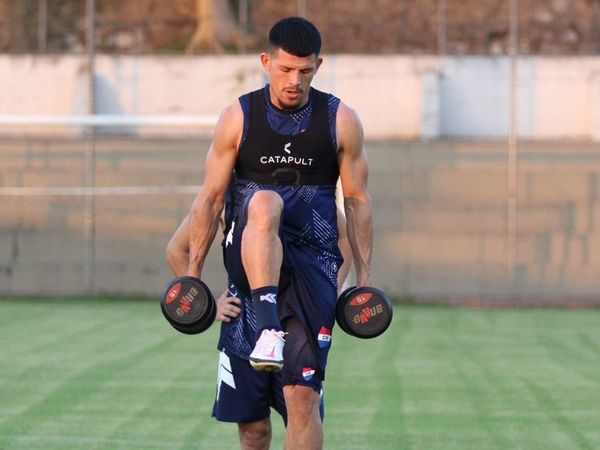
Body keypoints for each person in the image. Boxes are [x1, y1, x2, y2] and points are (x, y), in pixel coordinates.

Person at [184, 16, 372, 450]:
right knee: (252, 430)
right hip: (250, 282)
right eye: (286, 69)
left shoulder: (339, 120)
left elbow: (358, 201)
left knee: (303, 399)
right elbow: (209, 202)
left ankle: (273, 330)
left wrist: (363, 279)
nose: (295, 80)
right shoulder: (238, 117)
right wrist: (195, 281)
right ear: (266, 61)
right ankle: (266, 324)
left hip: (312, 273)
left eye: (304, 71)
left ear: (318, 66)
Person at [166, 205, 351, 450]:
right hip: (242, 330)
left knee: (301, 417)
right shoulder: (226, 198)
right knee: (254, 432)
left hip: (297, 321)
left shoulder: (303, 191)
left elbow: (345, 236)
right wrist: (209, 305)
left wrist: (327, 289)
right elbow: (177, 250)